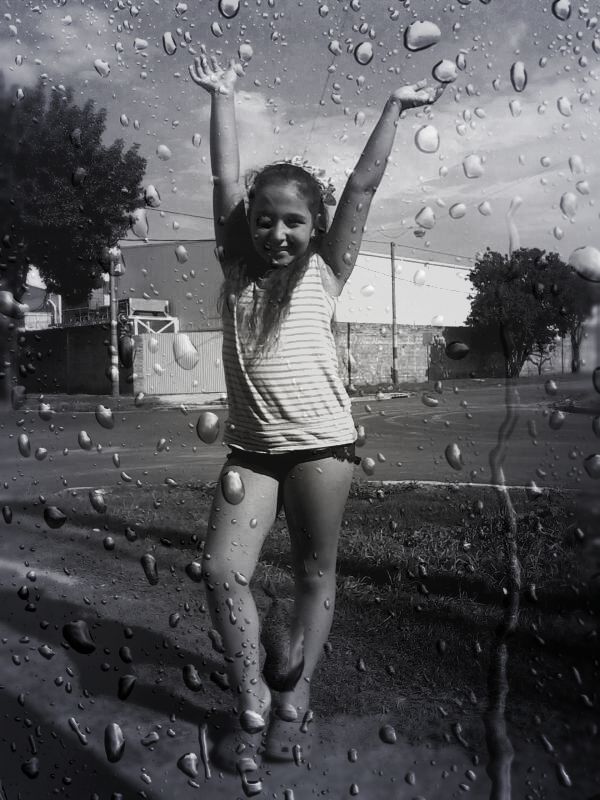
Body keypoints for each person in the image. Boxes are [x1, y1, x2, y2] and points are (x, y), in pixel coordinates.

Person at [189, 50, 444, 770]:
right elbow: (225, 181)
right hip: (251, 453)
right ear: (248, 226)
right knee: (221, 571)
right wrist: (223, 96)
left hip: (324, 450)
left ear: (315, 225)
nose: (277, 234)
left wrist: (393, 107)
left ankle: (292, 705)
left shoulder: (327, 270)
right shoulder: (236, 264)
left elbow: (362, 185)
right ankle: (252, 701)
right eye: (265, 221)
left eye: (293, 222)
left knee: (312, 576)